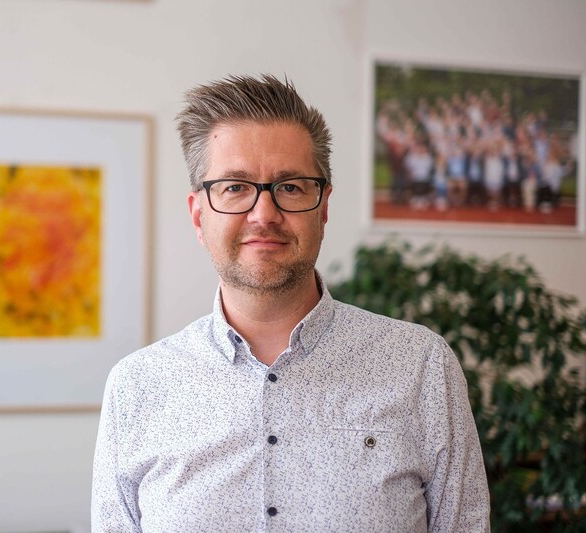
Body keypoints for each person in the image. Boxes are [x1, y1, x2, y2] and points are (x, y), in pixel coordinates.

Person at [92, 74, 490, 532]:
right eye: (235, 187)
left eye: (291, 187)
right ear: (199, 215)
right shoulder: (136, 388)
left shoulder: (421, 367)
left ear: (322, 209)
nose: (264, 214)